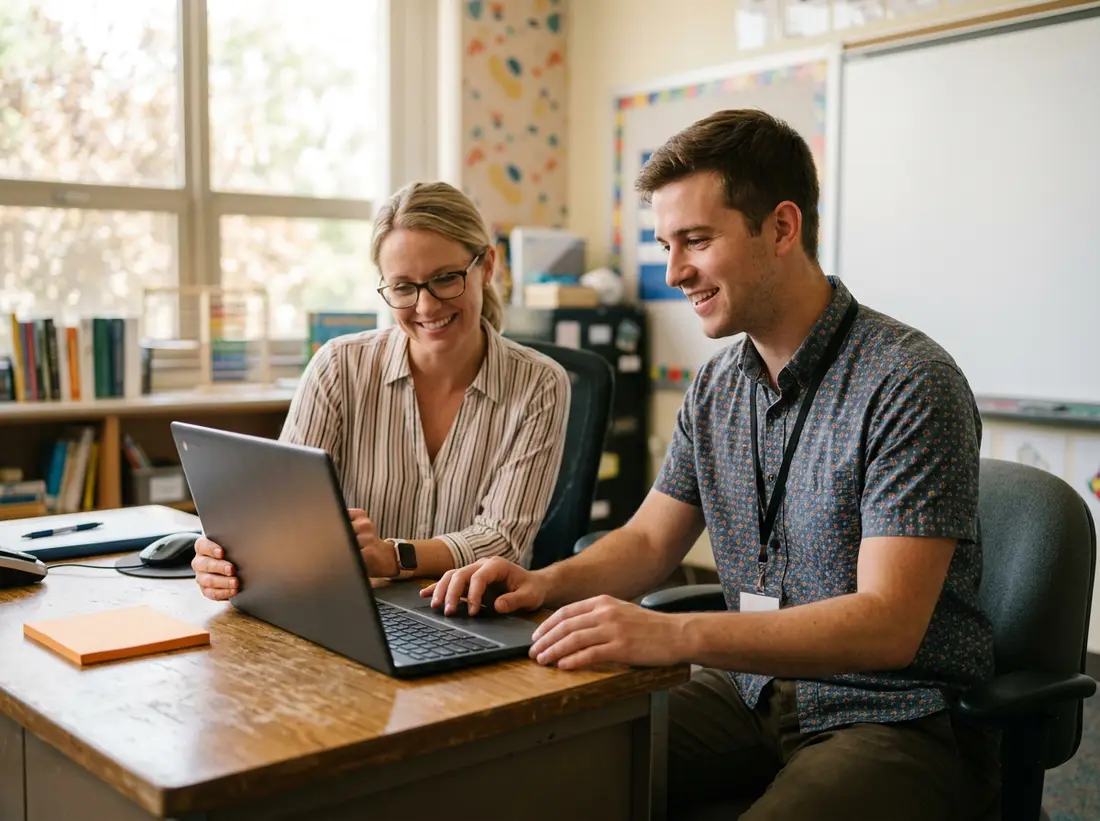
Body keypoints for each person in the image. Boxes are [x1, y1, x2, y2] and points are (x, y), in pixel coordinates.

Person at [424, 110, 999, 819]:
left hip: (888, 714)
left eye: (696, 240)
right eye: (667, 244)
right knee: (546, 772)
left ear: (782, 228)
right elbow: (647, 542)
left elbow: (887, 624)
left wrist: (670, 634)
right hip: (750, 689)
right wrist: (544, 583)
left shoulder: (909, 380)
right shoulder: (718, 385)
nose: (673, 273)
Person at [191, 181, 570, 598]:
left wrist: (393, 557)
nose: (426, 307)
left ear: (487, 267)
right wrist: (228, 556)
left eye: (446, 279)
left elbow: (503, 541)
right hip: (353, 606)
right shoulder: (339, 367)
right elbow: (283, 509)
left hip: (475, 613)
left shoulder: (539, 383)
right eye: (404, 287)